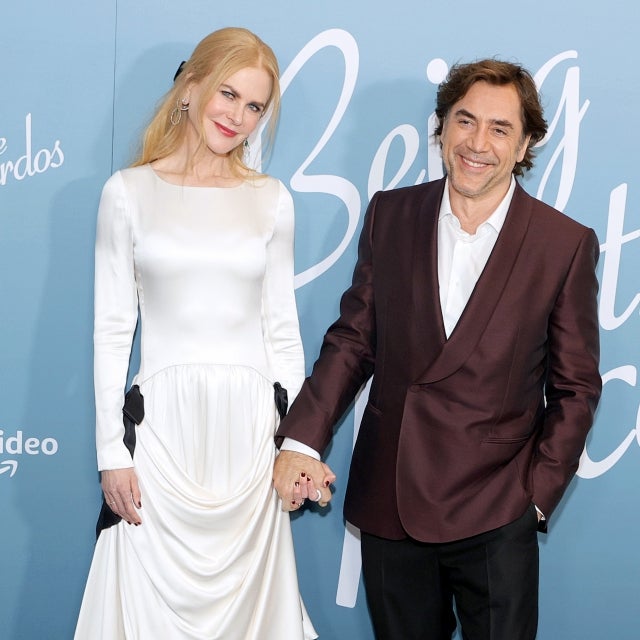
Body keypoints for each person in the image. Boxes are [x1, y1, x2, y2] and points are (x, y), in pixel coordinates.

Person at [273, 59, 601, 639]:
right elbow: (354, 341)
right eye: (465, 120)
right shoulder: (391, 215)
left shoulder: (563, 244)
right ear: (442, 126)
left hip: (498, 508)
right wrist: (301, 440)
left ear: (525, 144)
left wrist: (534, 499)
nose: (477, 143)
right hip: (391, 500)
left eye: (500, 128)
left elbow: (575, 388)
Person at [75, 27, 332, 639]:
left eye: (255, 106)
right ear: (190, 88)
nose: (238, 117)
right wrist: (112, 454)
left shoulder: (271, 200)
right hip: (163, 435)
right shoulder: (127, 193)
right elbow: (112, 331)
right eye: (228, 93)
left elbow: (282, 332)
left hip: (249, 435)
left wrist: (298, 445)